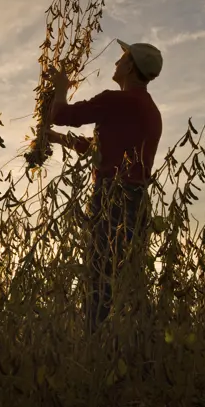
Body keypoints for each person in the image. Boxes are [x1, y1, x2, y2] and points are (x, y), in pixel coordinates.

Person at [46, 39, 163, 333]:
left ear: (131, 68)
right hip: (137, 202)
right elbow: (102, 149)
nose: (116, 63)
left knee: (99, 276)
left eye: (122, 59)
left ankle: (96, 347)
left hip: (111, 199)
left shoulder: (117, 100)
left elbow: (61, 115)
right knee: (128, 279)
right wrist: (58, 140)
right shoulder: (149, 109)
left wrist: (61, 85)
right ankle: (133, 350)